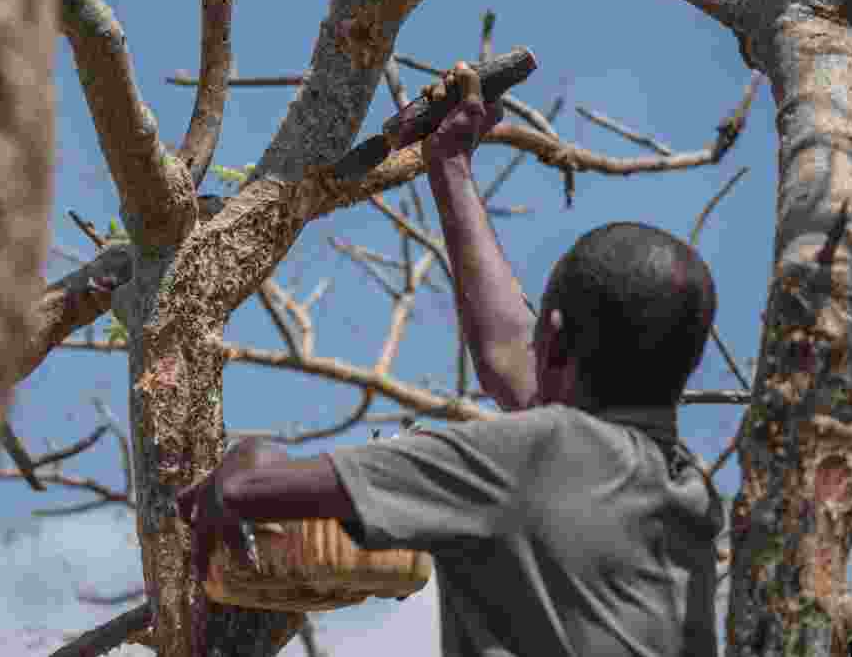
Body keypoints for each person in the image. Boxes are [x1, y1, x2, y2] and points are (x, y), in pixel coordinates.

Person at [178, 62, 724, 657]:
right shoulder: (682, 488)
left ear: (560, 343)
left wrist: (247, 461)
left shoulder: (531, 456)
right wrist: (451, 163)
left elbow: (247, 492)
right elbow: (508, 354)